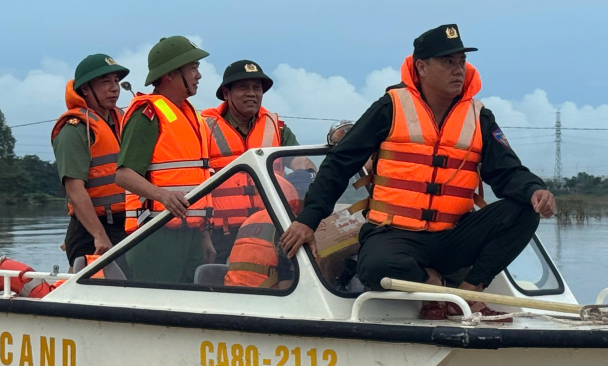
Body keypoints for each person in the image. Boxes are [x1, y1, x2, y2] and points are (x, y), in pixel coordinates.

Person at [280, 24, 556, 321]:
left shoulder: (479, 116)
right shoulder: (390, 108)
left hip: (455, 234)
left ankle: (467, 292)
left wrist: (534, 190)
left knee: (525, 210)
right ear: (421, 66)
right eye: (448, 62)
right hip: (396, 234)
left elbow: (507, 171)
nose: (458, 70)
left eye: (461, 62)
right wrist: (308, 220)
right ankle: (433, 284)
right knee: (374, 269)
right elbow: (340, 163)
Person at [115, 35, 215, 283]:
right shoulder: (147, 114)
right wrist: (162, 196)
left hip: (189, 234)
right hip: (155, 235)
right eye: (193, 68)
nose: (198, 75)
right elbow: (124, 174)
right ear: (170, 74)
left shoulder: (191, 114)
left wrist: (204, 235)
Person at [201, 60, 303, 263]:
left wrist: (305, 174)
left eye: (257, 88)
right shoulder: (202, 127)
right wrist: (202, 234)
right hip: (221, 234)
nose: (252, 93)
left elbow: (300, 161)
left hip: (271, 228)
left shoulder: (277, 128)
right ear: (226, 93)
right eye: (243, 87)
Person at [51, 53, 130, 267]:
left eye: (116, 81)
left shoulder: (122, 121)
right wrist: (99, 235)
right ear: (85, 89)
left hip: (125, 225)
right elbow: (75, 190)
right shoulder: (74, 129)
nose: (114, 88)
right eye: (105, 82)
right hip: (92, 233)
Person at [225, 176, 299, 289]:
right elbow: (286, 281)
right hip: (263, 296)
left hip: (232, 292)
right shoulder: (285, 222)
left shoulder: (248, 221)